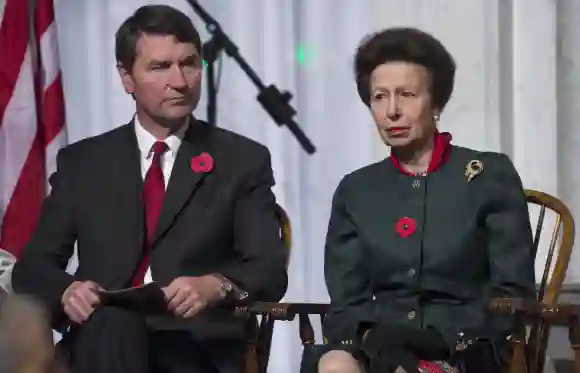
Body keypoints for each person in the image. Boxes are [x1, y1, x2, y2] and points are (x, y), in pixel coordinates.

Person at [11, 5, 287, 373]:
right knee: (112, 322)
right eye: (160, 67)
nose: (180, 80)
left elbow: (268, 268)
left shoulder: (241, 160)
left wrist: (216, 284)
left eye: (189, 63)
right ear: (127, 78)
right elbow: (32, 268)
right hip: (100, 343)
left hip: (194, 346)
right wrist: (66, 291)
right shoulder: (84, 163)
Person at [315, 27, 536, 373]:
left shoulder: (489, 176)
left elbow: (512, 292)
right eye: (379, 97)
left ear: (436, 102)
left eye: (406, 94)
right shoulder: (356, 190)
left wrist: (436, 343)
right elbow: (347, 301)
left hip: (464, 349)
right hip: (380, 348)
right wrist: (373, 339)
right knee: (334, 365)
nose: (392, 111)